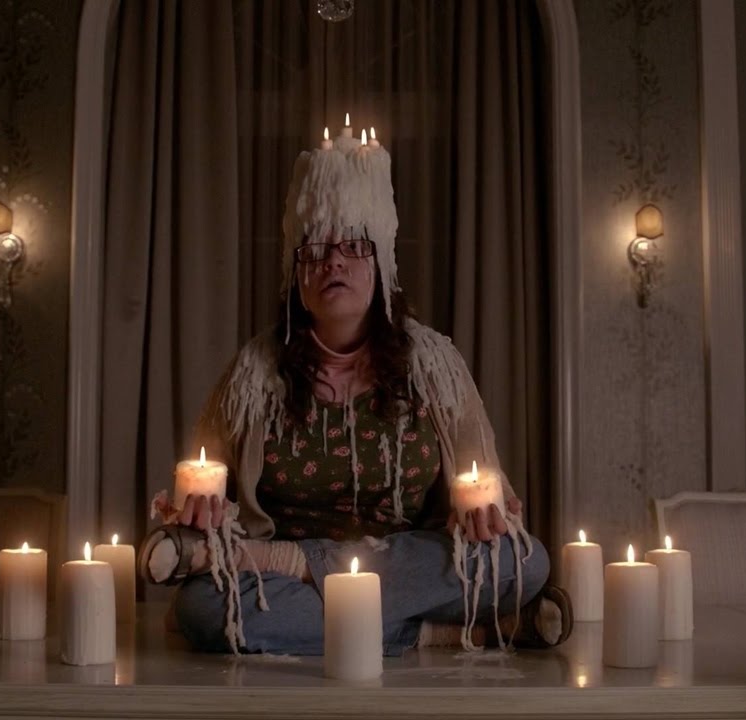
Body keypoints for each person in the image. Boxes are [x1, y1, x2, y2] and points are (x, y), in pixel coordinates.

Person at [138, 128, 570, 655]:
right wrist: (201, 512)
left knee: (526, 560)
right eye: (315, 250)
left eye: (353, 246)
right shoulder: (250, 376)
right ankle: (447, 634)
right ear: (296, 274)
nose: (333, 262)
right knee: (203, 608)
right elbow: (200, 490)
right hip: (286, 579)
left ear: (381, 263)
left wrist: (483, 512)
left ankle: (310, 580)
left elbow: (491, 492)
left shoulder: (436, 366)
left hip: (380, 562)